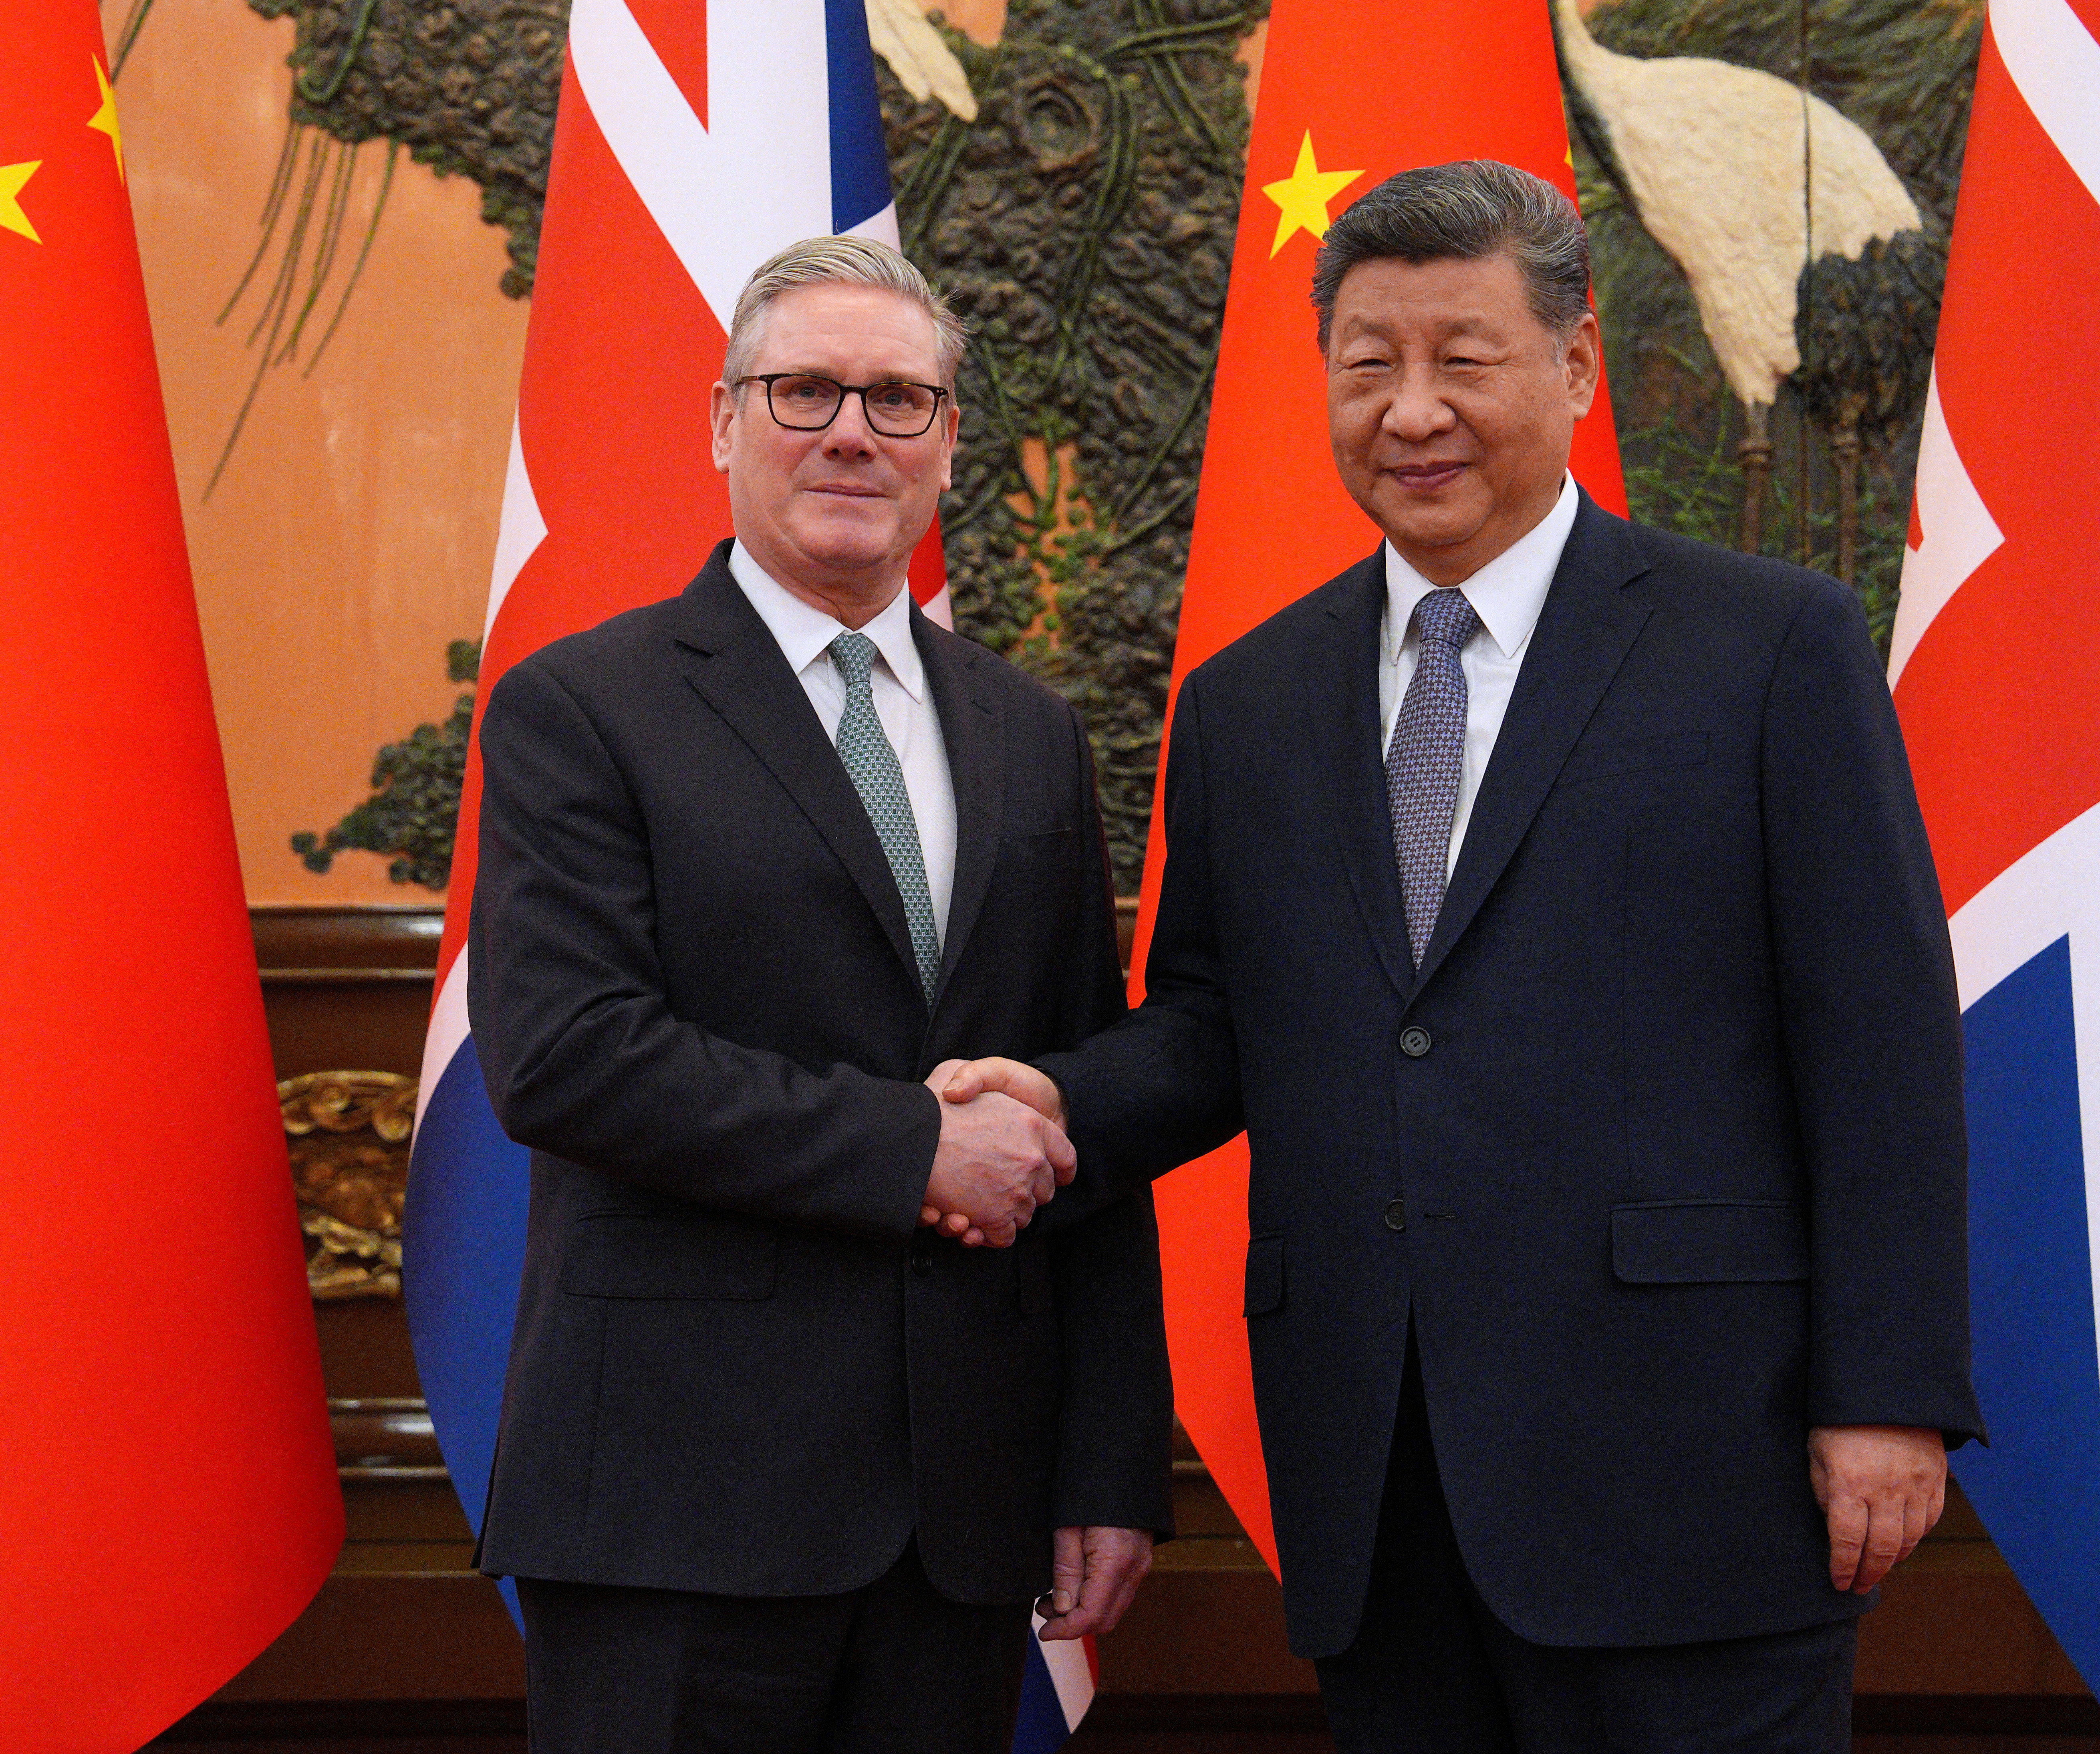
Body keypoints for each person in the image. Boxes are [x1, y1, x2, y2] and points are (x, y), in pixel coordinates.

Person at [943, 161, 1985, 1753]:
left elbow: (1879, 1040)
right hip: (1381, 1477)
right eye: (1369, 365)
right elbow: (1223, 1021)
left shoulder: (1767, 648)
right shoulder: (1251, 700)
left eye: (1464, 359)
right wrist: (1055, 1110)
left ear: (1573, 368)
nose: (1411, 410)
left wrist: (1887, 1392)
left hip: (1699, 1467)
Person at [466, 235, 1169, 1754]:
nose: (853, 430)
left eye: (899, 400)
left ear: (947, 444)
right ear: (723, 422)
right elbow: (569, 1058)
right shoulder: (582, 707)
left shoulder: (1027, 733)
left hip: (960, 1516)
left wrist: (1110, 1463)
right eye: (804, 391)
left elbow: (1079, 1087)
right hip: (675, 1506)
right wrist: (913, 1147)